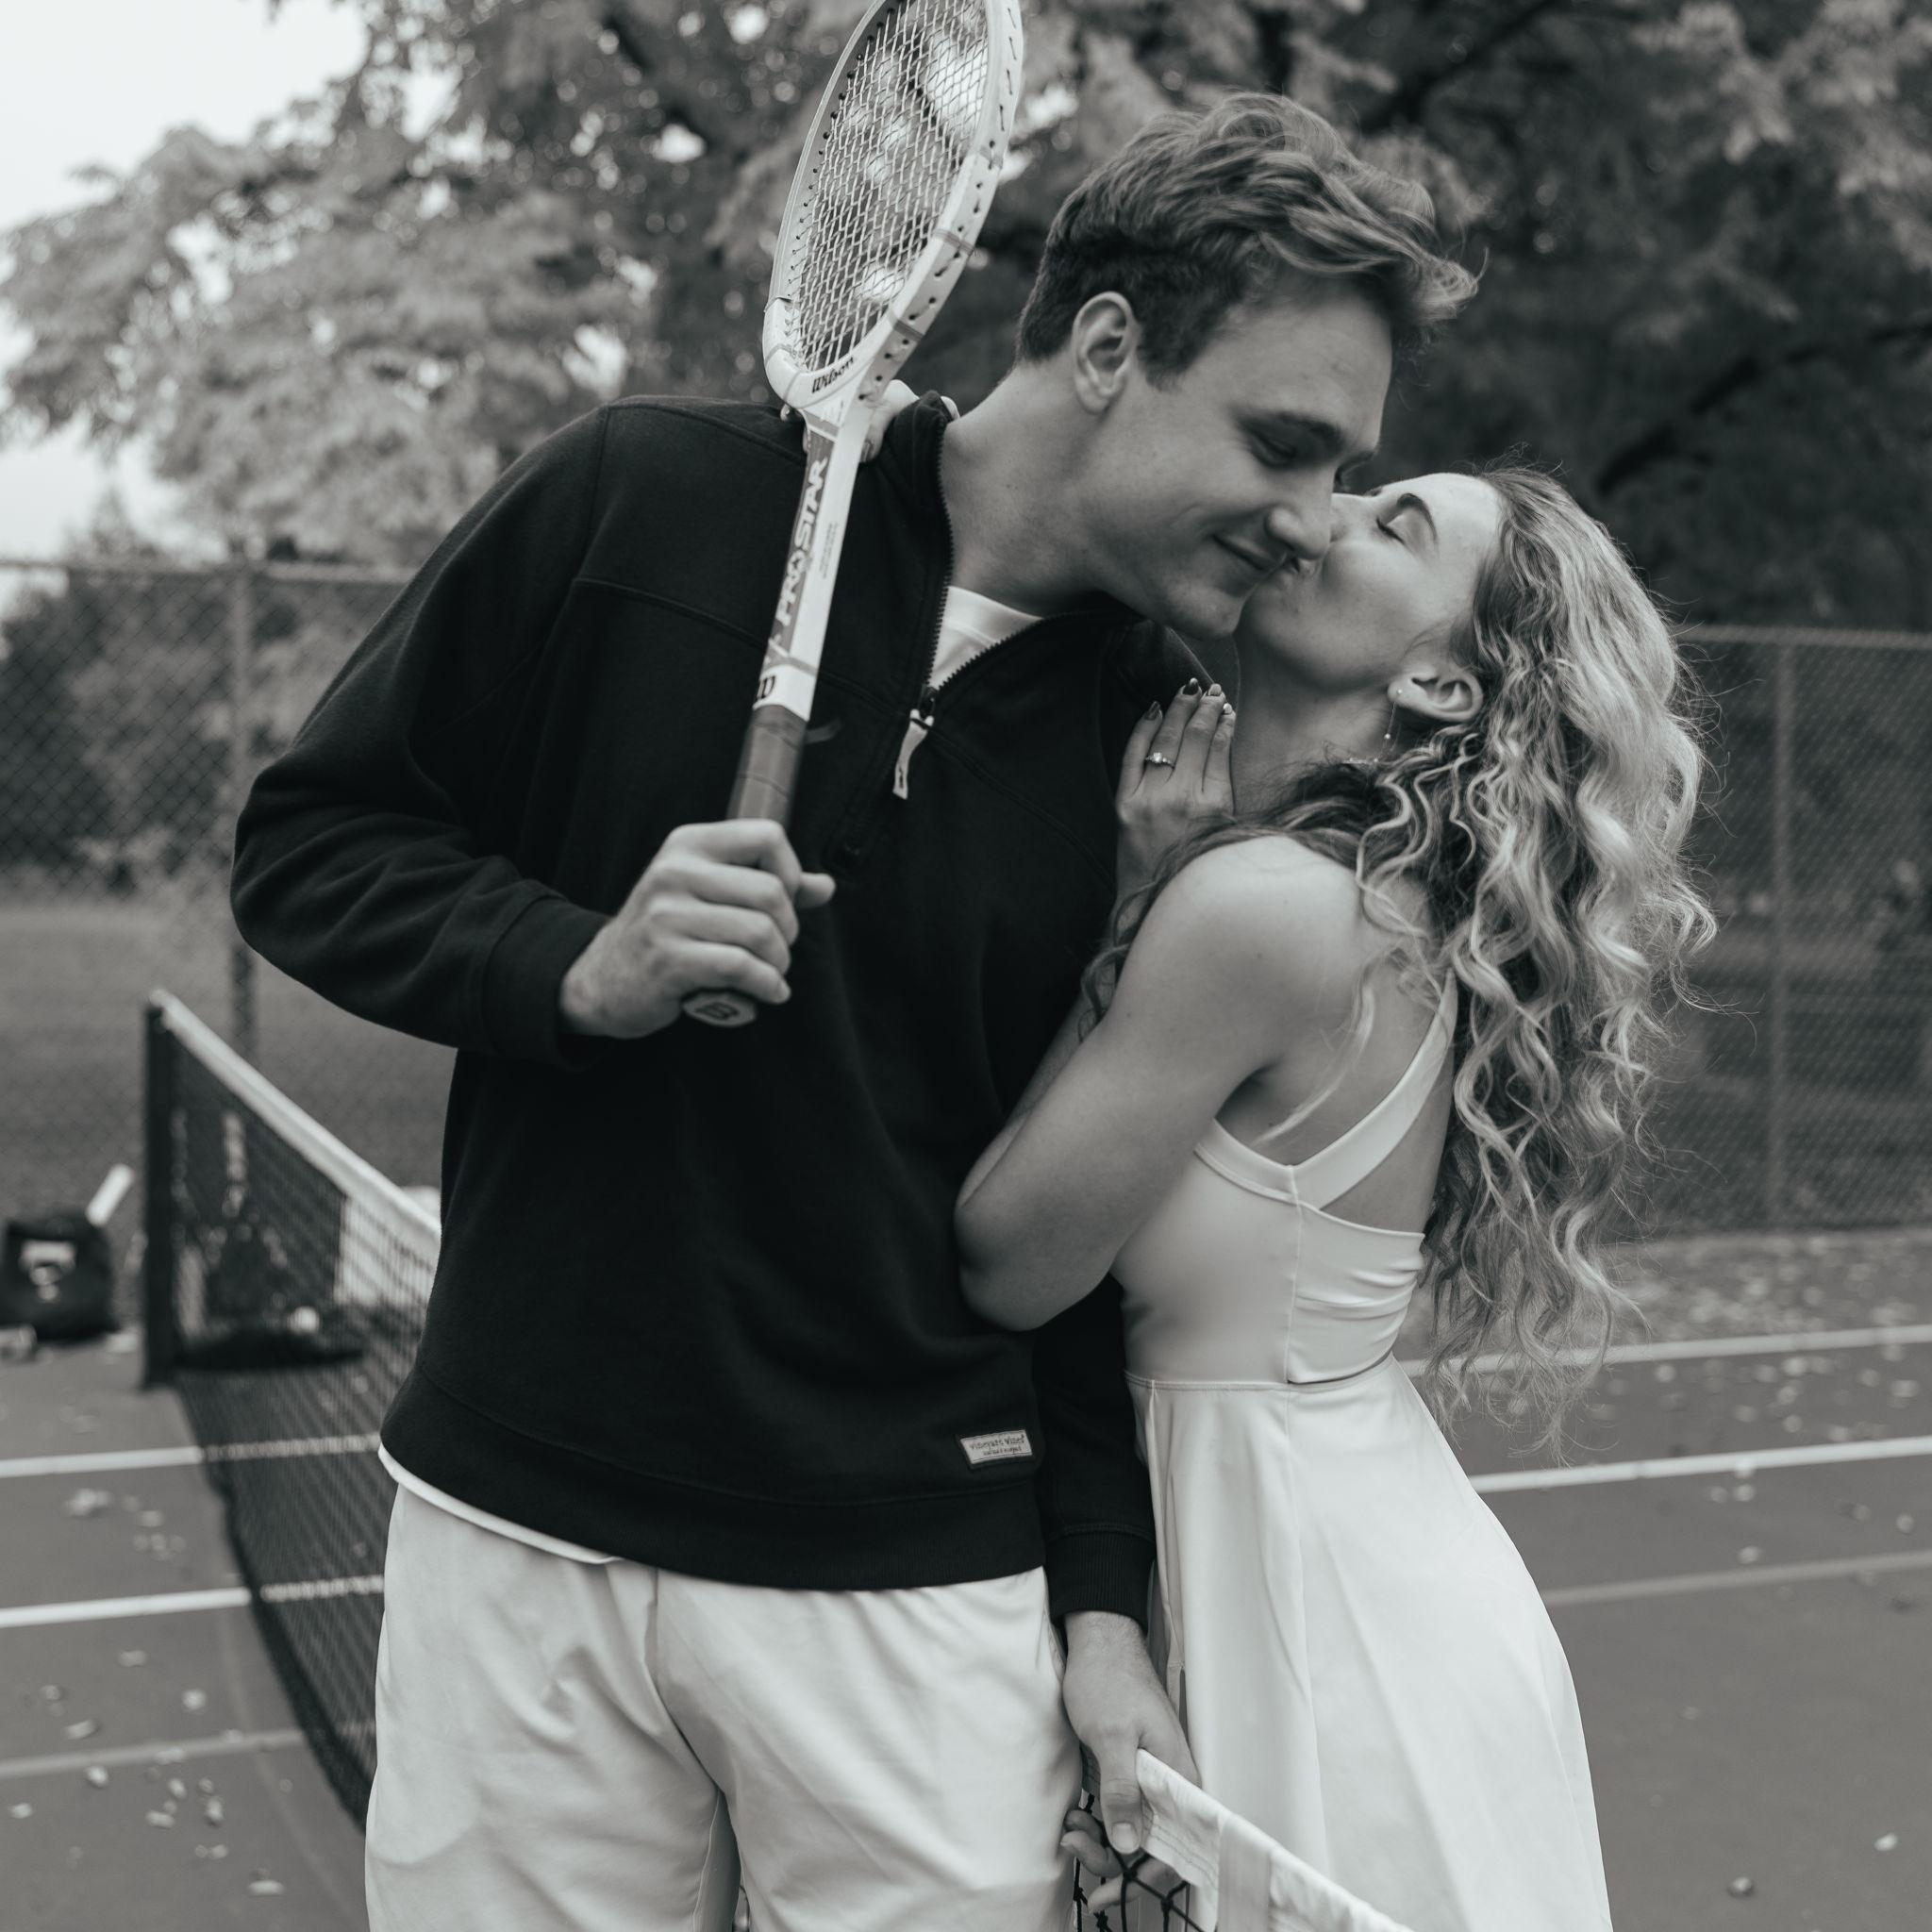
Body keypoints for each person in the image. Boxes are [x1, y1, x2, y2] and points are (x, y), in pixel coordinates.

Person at [227, 94, 1474, 1932]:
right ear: (1109, 347)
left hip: (917, 1580)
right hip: (520, 1523)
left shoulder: (1167, 744)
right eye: (1281, 445)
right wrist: (572, 963)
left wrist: (1100, 1606)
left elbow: (1081, 1234)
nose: (1307, 523)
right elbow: (313, 843)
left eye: (1343, 472)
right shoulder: (646, 493)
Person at [957, 464, 1711, 1930]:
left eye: (1393, 525)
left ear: (1442, 683)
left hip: (1318, 1625)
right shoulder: (1368, 900)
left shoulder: (1268, 909)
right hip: (1341, 1561)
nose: (1320, 518)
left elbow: (1008, 1260)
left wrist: (1129, 910)